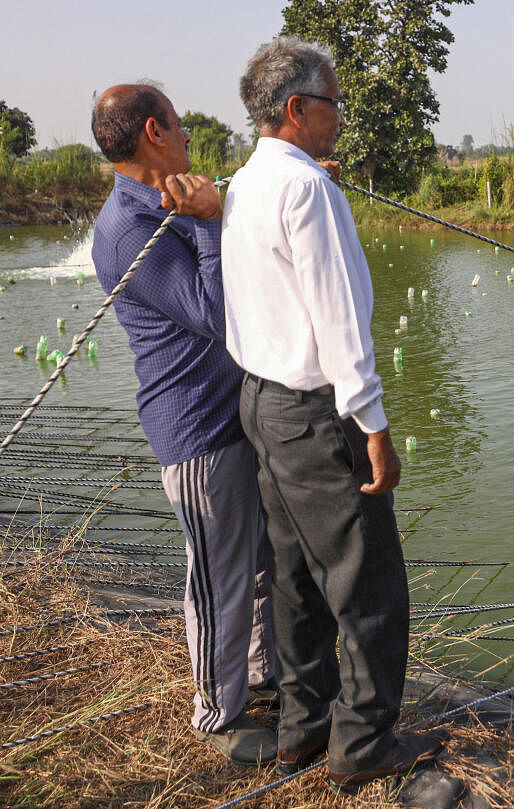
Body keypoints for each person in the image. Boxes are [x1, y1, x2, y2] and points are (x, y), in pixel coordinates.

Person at [222, 37, 442, 795]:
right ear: (297, 109)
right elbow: (340, 322)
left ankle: (301, 730)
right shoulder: (308, 191)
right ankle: (365, 741)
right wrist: (374, 428)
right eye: (333, 105)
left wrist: (317, 184)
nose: (340, 118)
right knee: (368, 581)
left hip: (261, 402)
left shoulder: (249, 181)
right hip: (314, 411)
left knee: (294, 578)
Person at [89, 85, 276, 765]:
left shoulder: (163, 199)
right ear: (154, 132)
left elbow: (230, 195)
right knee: (216, 577)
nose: (192, 137)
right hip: (195, 428)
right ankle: (216, 715)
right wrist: (204, 221)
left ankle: (257, 677)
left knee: (256, 566)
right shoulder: (129, 228)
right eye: (180, 124)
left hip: (234, 416)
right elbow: (215, 311)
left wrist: (284, 189)